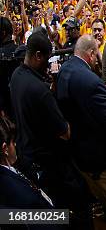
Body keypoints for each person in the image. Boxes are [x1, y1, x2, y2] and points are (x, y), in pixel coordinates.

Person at [56, 35, 106, 230]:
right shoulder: (91, 81)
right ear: (91, 54)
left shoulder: (64, 70)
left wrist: (103, 91)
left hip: (79, 152)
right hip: (101, 155)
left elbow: (85, 104)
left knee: (98, 190)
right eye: (97, 55)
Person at [9, 32, 75, 208]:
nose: (49, 63)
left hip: (27, 154)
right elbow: (65, 133)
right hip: (48, 164)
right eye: (47, 58)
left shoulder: (17, 75)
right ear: (38, 55)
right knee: (66, 206)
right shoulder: (39, 91)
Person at [0, 115, 58, 213]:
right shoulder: (18, 192)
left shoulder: (11, 167)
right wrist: (64, 218)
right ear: (5, 148)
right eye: (12, 141)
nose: (15, 144)